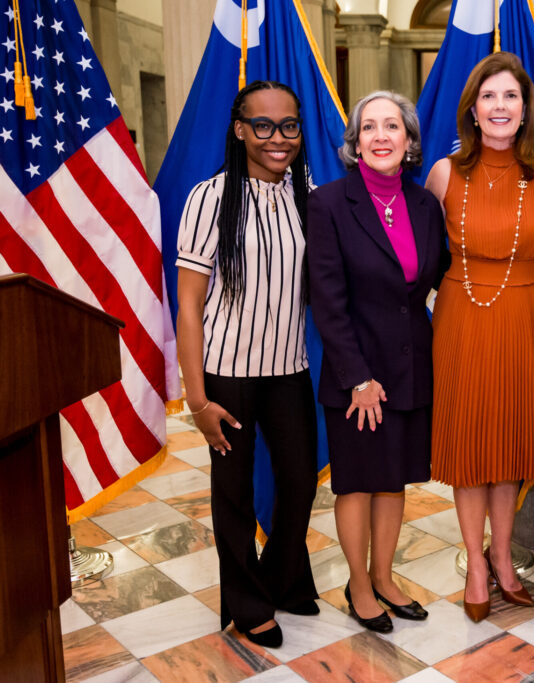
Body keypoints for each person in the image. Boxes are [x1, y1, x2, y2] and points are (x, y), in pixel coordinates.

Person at [176, 80, 321, 649]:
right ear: (240, 130)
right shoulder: (209, 197)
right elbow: (188, 304)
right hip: (226, 374)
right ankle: (246, 601)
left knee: (300, 482)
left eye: (289, 125)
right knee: (233, 495)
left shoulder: (307, 192)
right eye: (262, 125)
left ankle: (280, 577)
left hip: (288, 368)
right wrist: (196, 397)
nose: (277, 138)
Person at [425, 52, 534, 622]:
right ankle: (475, 565)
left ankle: (504, 559)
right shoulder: (443, 173)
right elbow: (412, 256)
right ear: (473, 109)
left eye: (510, 96)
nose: (500, 106)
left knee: (507, 445)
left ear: (525, 109)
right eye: (489, 97)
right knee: (468, 447)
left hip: (526, 317)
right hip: (461, 314)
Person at [307, 91, 448, 633]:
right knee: (358, 483)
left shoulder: (423, 206)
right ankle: (359, 586)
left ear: (410, 141)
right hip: (356, 376)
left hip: (411, 369)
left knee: (394, 481)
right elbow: (327, 300)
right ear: (356, 142)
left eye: (393, 126)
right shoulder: (329, 204)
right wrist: (358, 379)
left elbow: (435, 282)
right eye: (370, 127)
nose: (382, 136)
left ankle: (386, 577)